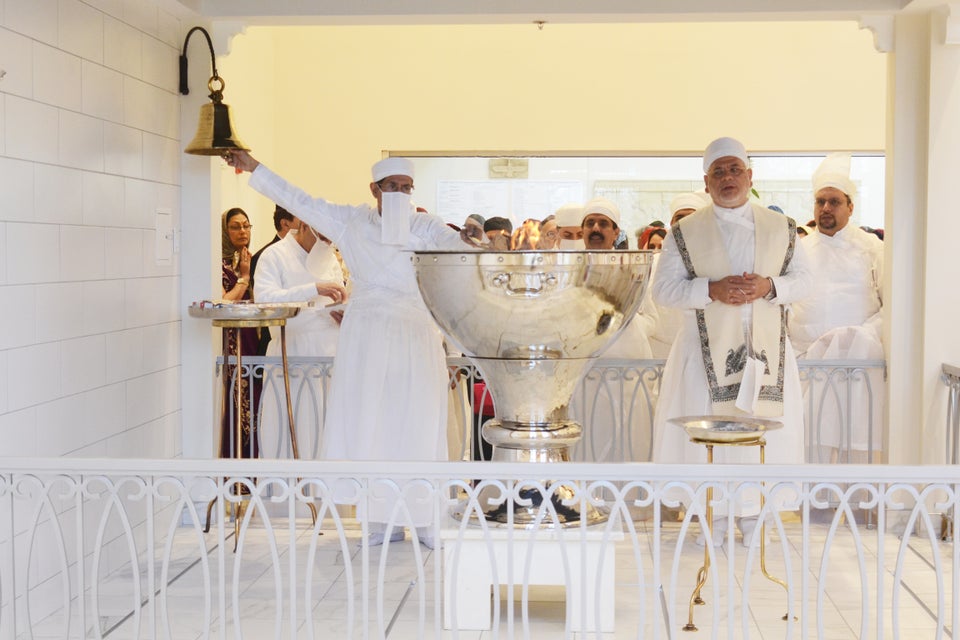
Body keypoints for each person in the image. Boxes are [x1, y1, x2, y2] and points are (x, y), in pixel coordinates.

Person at [224, 150, 473, 549]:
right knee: (371, 424)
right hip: (368, 337)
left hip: (415, 333)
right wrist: (254, 168)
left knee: (419, 421)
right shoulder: (352, 221)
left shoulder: (425, 225)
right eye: (391, 187)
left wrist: (471, 235)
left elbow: (456, 243)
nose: (399, 194)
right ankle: (380, 523)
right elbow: (299, 200)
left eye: (405, 188)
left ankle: (427, 522)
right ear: (374, 189)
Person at [651, 137, 812, 546]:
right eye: (718, 172)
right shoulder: (683, 233)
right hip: (701, 356)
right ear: (706, 182)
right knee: (710, 433)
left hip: (766, 353)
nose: (727, 178)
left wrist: (769, 285)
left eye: (734, 169)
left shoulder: (783, 228)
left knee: (764, 433)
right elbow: (664, 290)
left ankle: (756, 517)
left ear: (750, 176)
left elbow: (806, 280)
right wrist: (710, 289)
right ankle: (713, 517)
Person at [789, 153, 884, 464]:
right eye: (820, 201)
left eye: (834, 201)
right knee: (811, 442)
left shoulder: (872, 247)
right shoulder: (798, 250)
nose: (825, 208)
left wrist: (859, 337)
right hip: (809, 365)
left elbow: (891, 306)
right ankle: (813, 512)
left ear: (850, 206)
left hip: (858, 365)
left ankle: (859, 509)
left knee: (856, 444)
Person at [253, 218, 348, 460]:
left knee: (327, 426)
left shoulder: (329, 257)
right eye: (322, 237)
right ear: (304, 226)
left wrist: (342, 313)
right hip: (292, 352)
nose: (327, 243)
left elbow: (337, 296)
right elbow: (264, 300)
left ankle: (326, 494)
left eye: (330, 238)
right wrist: (313, 289)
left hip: (329, 353)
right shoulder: (274, 255)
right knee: (294, 424)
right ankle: (291, 495)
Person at [219, 207, 261, 459]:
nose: (242, 231)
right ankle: (236, 473)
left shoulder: (252, 260)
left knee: (256, 404)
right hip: (233, 345)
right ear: (224, 231)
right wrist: (243, 279)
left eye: (246, 225)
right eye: (235, 226)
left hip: (253, 342)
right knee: (237, 408)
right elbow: (223, 302)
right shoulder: (220, 266)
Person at [250, 205, 297, 355]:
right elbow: (264, 298)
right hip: (275, 334)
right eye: (301, 221)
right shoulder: (265, 255)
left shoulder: (301, 252)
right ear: (285, 223)